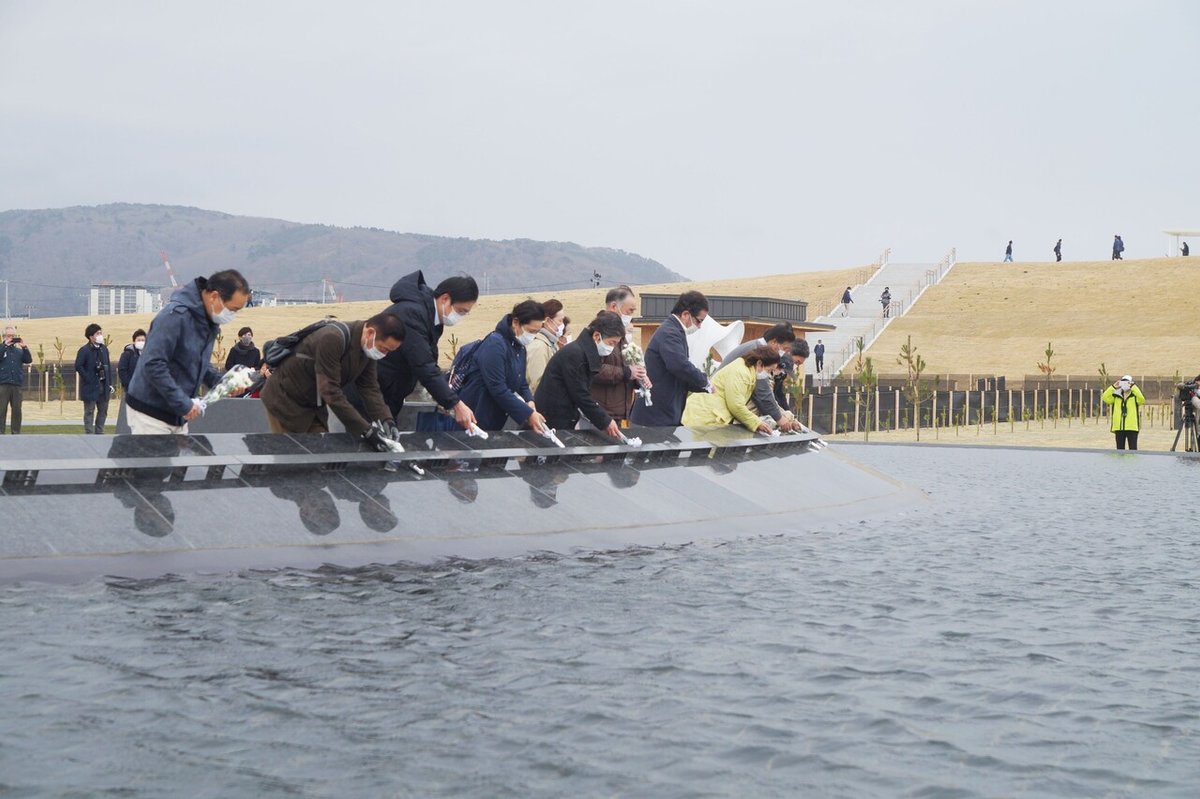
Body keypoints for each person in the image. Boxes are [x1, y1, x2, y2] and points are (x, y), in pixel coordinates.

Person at [125, 269, 251, 434]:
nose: (232, 315)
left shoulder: (208, 322)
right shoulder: (174, 316)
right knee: (153, 461)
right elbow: (153, 363)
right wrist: (181, 402)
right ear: (214, 296)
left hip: (179, 416)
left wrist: (224, 384)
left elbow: (197, 362)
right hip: (150, 413)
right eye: (232, 309)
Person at [260, 312, 404, 442]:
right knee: (292, 460)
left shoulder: (367, 349)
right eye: (384, 349)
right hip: (284, 401)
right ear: (370, 333)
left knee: (320, 457)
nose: (384, 354)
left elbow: (370, 388)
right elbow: (330, 391)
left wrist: (387, 420)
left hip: (313, 406)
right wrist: (366, 431)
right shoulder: (332, 339)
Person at [373, 271, 478, 431]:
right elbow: (424, 366)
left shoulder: (431, 319)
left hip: (389, 394)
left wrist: (441, 397)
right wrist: (455, 403)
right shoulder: (412, 315)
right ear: (444, 299)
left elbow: (429, 364)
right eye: (460, 311)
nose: (460, 316)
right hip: (372, 394)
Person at [456, 299, 549, 434]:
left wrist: (530, 401)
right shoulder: (495, 344)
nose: (532, 336)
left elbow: (521, 381)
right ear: (516, 322)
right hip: (476, 414)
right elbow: (497, 387)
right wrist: (528, 414)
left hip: (495, 417)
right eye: (530, 331)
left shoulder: (519, 347)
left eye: (537, 332)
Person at [534, 311, 624, 439]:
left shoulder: (585, 353)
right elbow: (580, 394)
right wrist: (605, 421)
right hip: (552, 418)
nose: (612, 348)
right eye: (611, 343)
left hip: (563, 416)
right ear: (597, 336)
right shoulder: (575, 355)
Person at [629, 291, 711, 427]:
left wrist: (704, 386)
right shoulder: (669, 333)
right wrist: (705, 381)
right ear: (685, 314)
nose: (699, 326)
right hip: (653, 417)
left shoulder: (676, 332)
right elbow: (679, 366)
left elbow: (680, 376)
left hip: (663, 415)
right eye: (699, 321)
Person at [682, 346, 782, 434]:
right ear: (760, 363)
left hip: (707, 416)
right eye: (769, 370)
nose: (768, 374)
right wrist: (757, 423)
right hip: (704, 416)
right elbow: (735, 405)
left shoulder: (748, 372)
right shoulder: (741, 373)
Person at [592, 286, 651, 423]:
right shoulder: (599, 333)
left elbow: (626, 367)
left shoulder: (621, 336)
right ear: (614, 306)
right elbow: (593, 368)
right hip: (601, 412)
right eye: (629, 311)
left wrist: (639, 378)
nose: (631, 316)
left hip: (618, 411)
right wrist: (626, 372)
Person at [75, 322, 113, 434]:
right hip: (90, 385)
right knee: (89, 411)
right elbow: (78, 366)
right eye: (97, 333)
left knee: (103, 410)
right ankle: (89, 433)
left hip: (103, 384)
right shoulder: (84, 350)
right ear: (91, 336)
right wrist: (88, 378)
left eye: (101, 333)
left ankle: (100, 431)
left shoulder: (104, 349)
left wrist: (109, 383)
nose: (100, 335)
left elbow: (108, 367)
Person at [525, 298, 564, 393]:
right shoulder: (539, 347)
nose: (562, 325)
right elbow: (538, 384)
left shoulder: (551, 344)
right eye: (560, 321)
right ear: (548, 321)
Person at [0, 325, 32, 434]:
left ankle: (16, 432)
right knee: (1, 410)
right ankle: (1, 432)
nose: (11, 338)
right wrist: (4, 345)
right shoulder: (1, 348)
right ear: (4, 336)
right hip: (3, 384)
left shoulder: (19, 351)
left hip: (16, 384)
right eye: (9, 336)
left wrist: (24, 347)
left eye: (13, 336)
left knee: (17, 410)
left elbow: (28, 359)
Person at [1101, 374, 1145, 450]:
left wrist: (1133, 387)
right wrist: (1113, 387)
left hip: (1132, 427)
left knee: (1133, 450)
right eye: (1123, 382)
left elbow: (1142, 400)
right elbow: (1105, 397)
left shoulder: (1134, 396)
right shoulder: (1116, 395)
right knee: (1120, 450)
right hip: (1119, 427)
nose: (1125, 384)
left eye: (1127, 382)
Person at [117, 329, 146, 394]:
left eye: (143, 340)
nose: (141, 342)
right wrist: (130, 384)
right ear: (134, 341)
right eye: (138, 340)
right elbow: (122, 370)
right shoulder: (127, 354)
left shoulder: (149, 354)